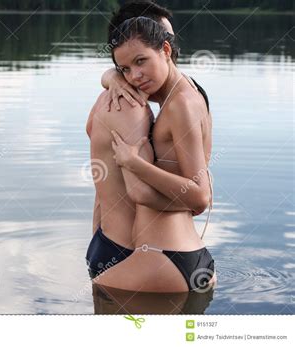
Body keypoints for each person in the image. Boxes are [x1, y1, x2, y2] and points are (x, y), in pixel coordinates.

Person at [92, 16, 216, 292]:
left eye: (141, 61)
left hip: (161, 260)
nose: (135, 76)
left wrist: (134, 163)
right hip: (190, 258)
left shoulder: (180, 105)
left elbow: (200, 195)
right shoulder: (188, 91)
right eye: (125, 68)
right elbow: (191, 197)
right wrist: (111, 77)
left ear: (166, 50)